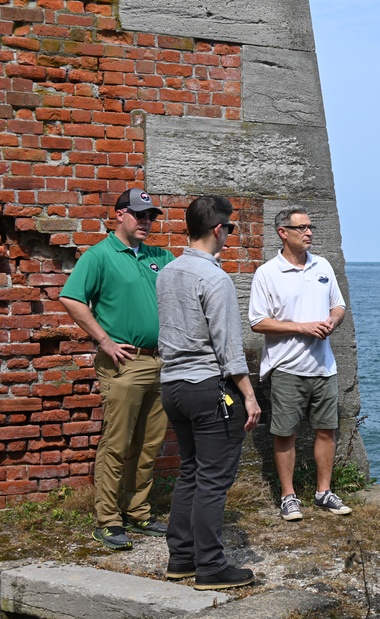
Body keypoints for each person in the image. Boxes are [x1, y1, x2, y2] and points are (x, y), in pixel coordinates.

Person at [156, 195, 262, 591]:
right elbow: (229, 348)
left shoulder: (166, 272)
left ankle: (181, 558)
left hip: (172, 385)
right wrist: (249, 395)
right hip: (206, 386)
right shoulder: (215, 278)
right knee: (213, 480)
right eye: (230, 228)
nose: (230, 236)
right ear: (219, 229)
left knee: (190, 472)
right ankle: (211, 566)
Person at [59, 188, 174, 551]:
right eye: (139, 215)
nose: (146, 222)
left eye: (151, 216)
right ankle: (108, 520)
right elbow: (71, 298)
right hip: (123, 363)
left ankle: (137, 510)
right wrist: (104, 341)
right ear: (119, 215)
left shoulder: (161, 256)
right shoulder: (100, 255)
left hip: (160, 360)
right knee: (117, 442)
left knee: (150, 442)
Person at [248, 206, 352, 521]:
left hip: (324, 365)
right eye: (302, 228)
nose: (309, 233)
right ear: (283, 232)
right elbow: (258, 321)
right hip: (286, 367)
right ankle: (288, 495)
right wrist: (302, 327)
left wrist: (333, 320)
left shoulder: (323, 266)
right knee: (285, 433)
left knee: (326, 430)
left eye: (311, 227)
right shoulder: (267, 273)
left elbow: (338, 305)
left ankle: (323, 492)